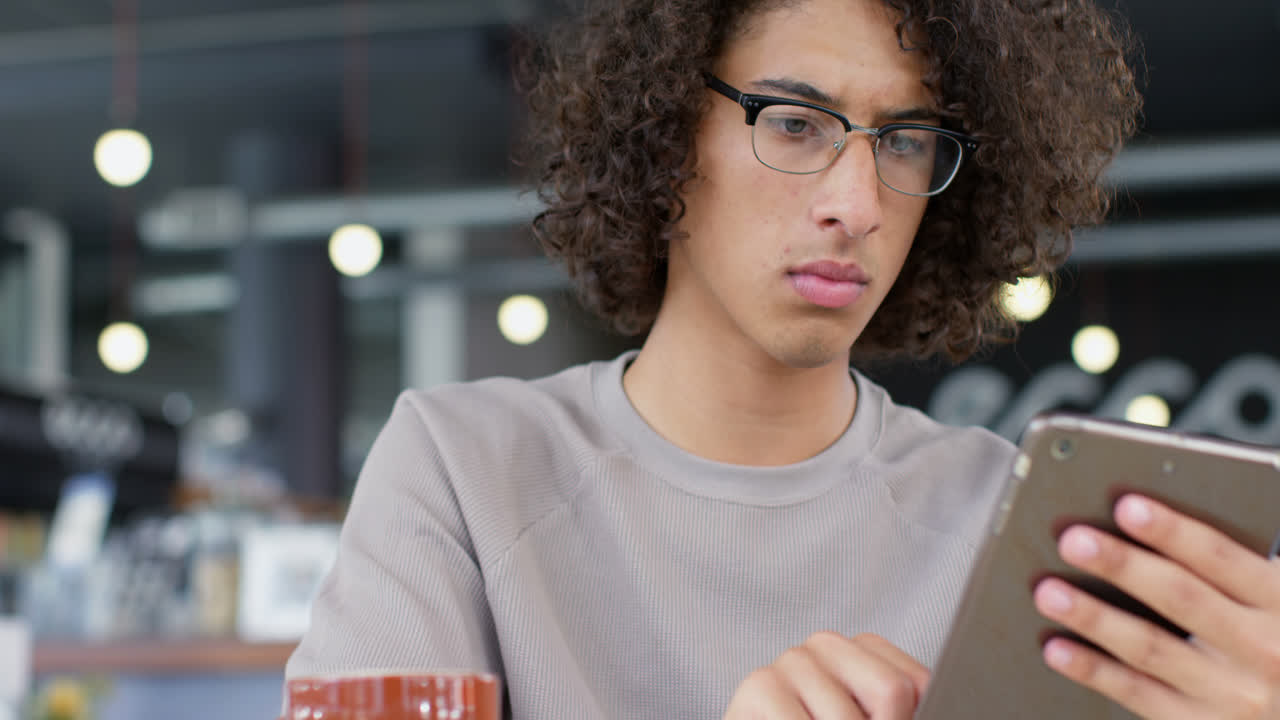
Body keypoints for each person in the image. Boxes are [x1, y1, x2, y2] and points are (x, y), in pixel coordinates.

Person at [285, 0, 1280, 717]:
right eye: (796, 124)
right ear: (667, 134)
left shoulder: (1010, 527)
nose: (857, 202)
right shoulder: (466, 469)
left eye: (903, 141)